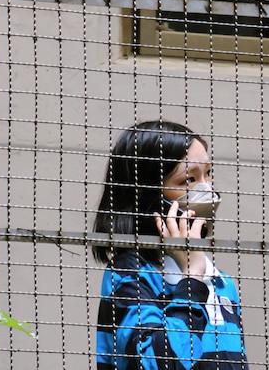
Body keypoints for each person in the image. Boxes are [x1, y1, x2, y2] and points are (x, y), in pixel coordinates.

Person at [93, 121, 248, 370]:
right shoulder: (129, 274)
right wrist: (192, 279)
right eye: (188, 179)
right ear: (145, 193)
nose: (205, 188)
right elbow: (157, 364)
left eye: (207, 174)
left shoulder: (222, 283)